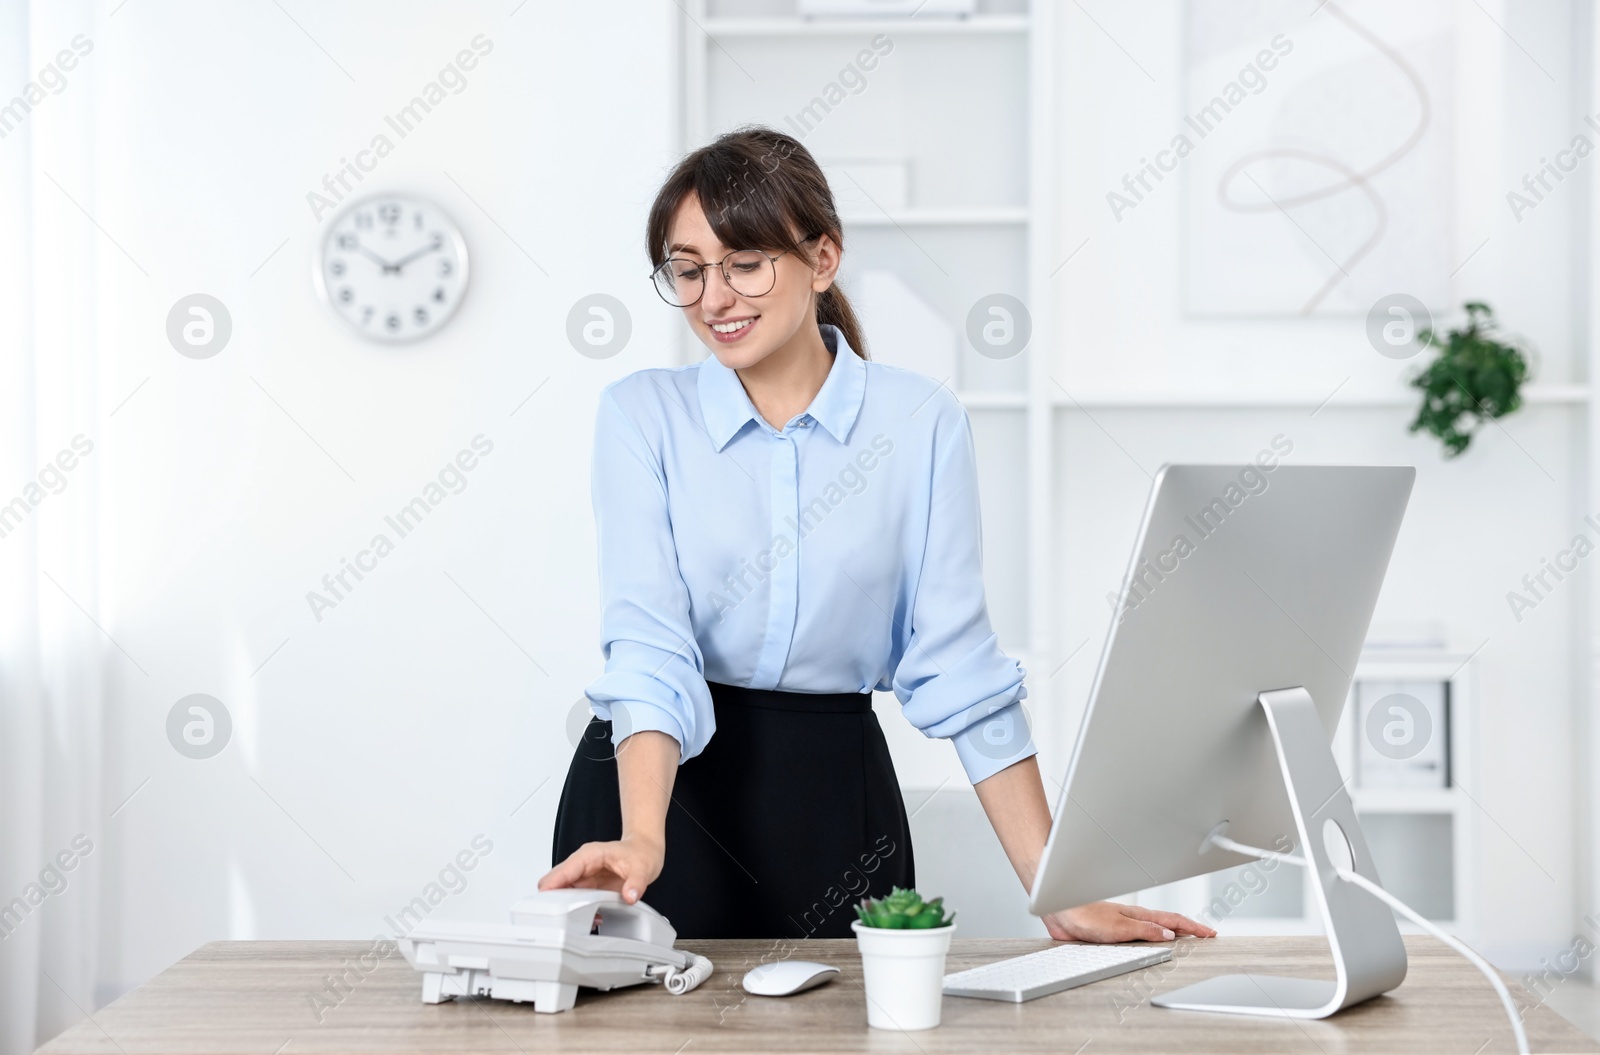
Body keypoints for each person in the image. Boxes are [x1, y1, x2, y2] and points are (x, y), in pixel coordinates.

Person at [541, 125, 1215, 945]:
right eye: (688, 270)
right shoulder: (642, 416)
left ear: (823, 260)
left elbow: (959, 668)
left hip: (833, 807)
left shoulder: (920, 421)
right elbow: (648, 647)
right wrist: (645, 836)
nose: (714, 298)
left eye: (744, 263)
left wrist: (1056, 890)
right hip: (653, 801)